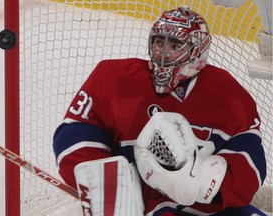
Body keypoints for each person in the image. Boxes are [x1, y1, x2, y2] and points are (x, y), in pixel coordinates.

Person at [53, 6, 267, 216]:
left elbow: (249, 154)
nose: (163, 53)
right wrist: (106, 183)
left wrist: (212, 184)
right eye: (158, 42)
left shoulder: (227, 93)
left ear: (198, 49)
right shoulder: (113, 79)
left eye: (175, 45)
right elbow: (74, 134)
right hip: (144, 206)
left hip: (212, 207)